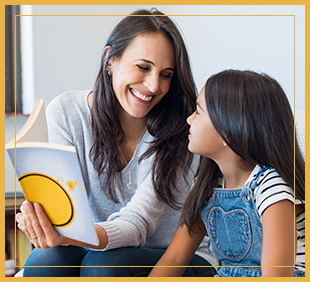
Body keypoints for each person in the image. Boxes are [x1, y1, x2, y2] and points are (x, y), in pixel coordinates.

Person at [15, 8, 217, 277]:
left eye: (166, 74)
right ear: (110, 60)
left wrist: (72, 236)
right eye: (143, 67)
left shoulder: (184, 127)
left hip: (176, 256)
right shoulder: (67, 112)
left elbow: (137, 224)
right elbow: (68, 211)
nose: (154, 85)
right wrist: (44, 222)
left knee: (104, 266)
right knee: (44, 259)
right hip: (101, 245)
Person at [149, 69, 305, 277]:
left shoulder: (272, 189)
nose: (189, 120)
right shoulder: (208, 188)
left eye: (198, 111)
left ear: (228, 131)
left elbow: (276, 276)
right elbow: (175, 258)